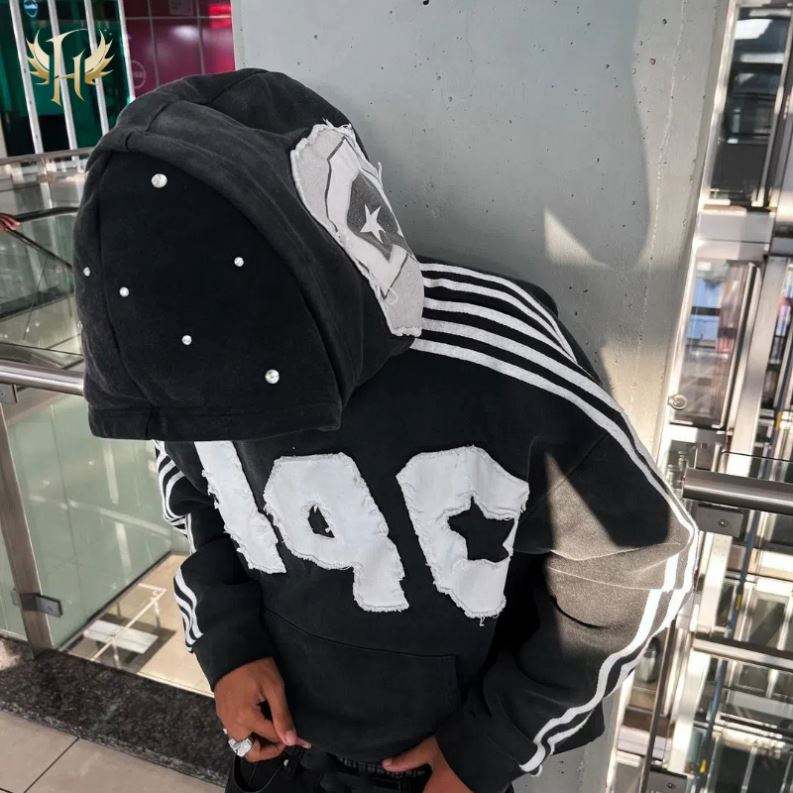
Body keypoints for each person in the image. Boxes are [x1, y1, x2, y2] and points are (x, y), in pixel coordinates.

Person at [74, 70, 697, 793]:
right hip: (275, 753)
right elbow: (198, 494)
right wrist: (226, 642)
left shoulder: (492, 357)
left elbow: (639, 560)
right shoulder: (179, 363)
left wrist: (494, 740)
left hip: (437, 764)